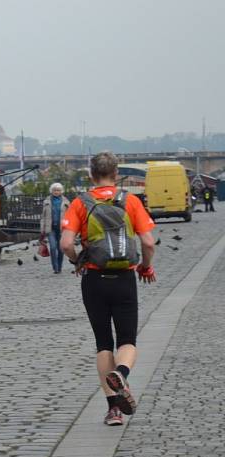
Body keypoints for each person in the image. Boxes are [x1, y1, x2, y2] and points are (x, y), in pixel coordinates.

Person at [60, 151, 156, 426]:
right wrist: (145, 267)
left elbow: (66, 243)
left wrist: (78, 260)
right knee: (127, 340)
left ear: (91, 175)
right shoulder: (131, 201)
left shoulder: (80, 203)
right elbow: (148, 243)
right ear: (116, 175)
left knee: (103, 343)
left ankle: (113, 410)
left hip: (94, 279)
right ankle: (122, 374)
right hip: (124, 279)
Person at [40, 182, 71, 273]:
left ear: (61, 191)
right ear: (51, 191)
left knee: (60, 249)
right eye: (54, 190)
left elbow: (70, 216)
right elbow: (43, 216)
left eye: (58, 190)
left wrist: (69, 228)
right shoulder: (47, 201)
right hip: (50, 228)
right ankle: (55, 267)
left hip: (62, 229)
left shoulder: (66, 202)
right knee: (53, 247)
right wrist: (42, 229)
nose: (56, 192)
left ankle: (59, 266)